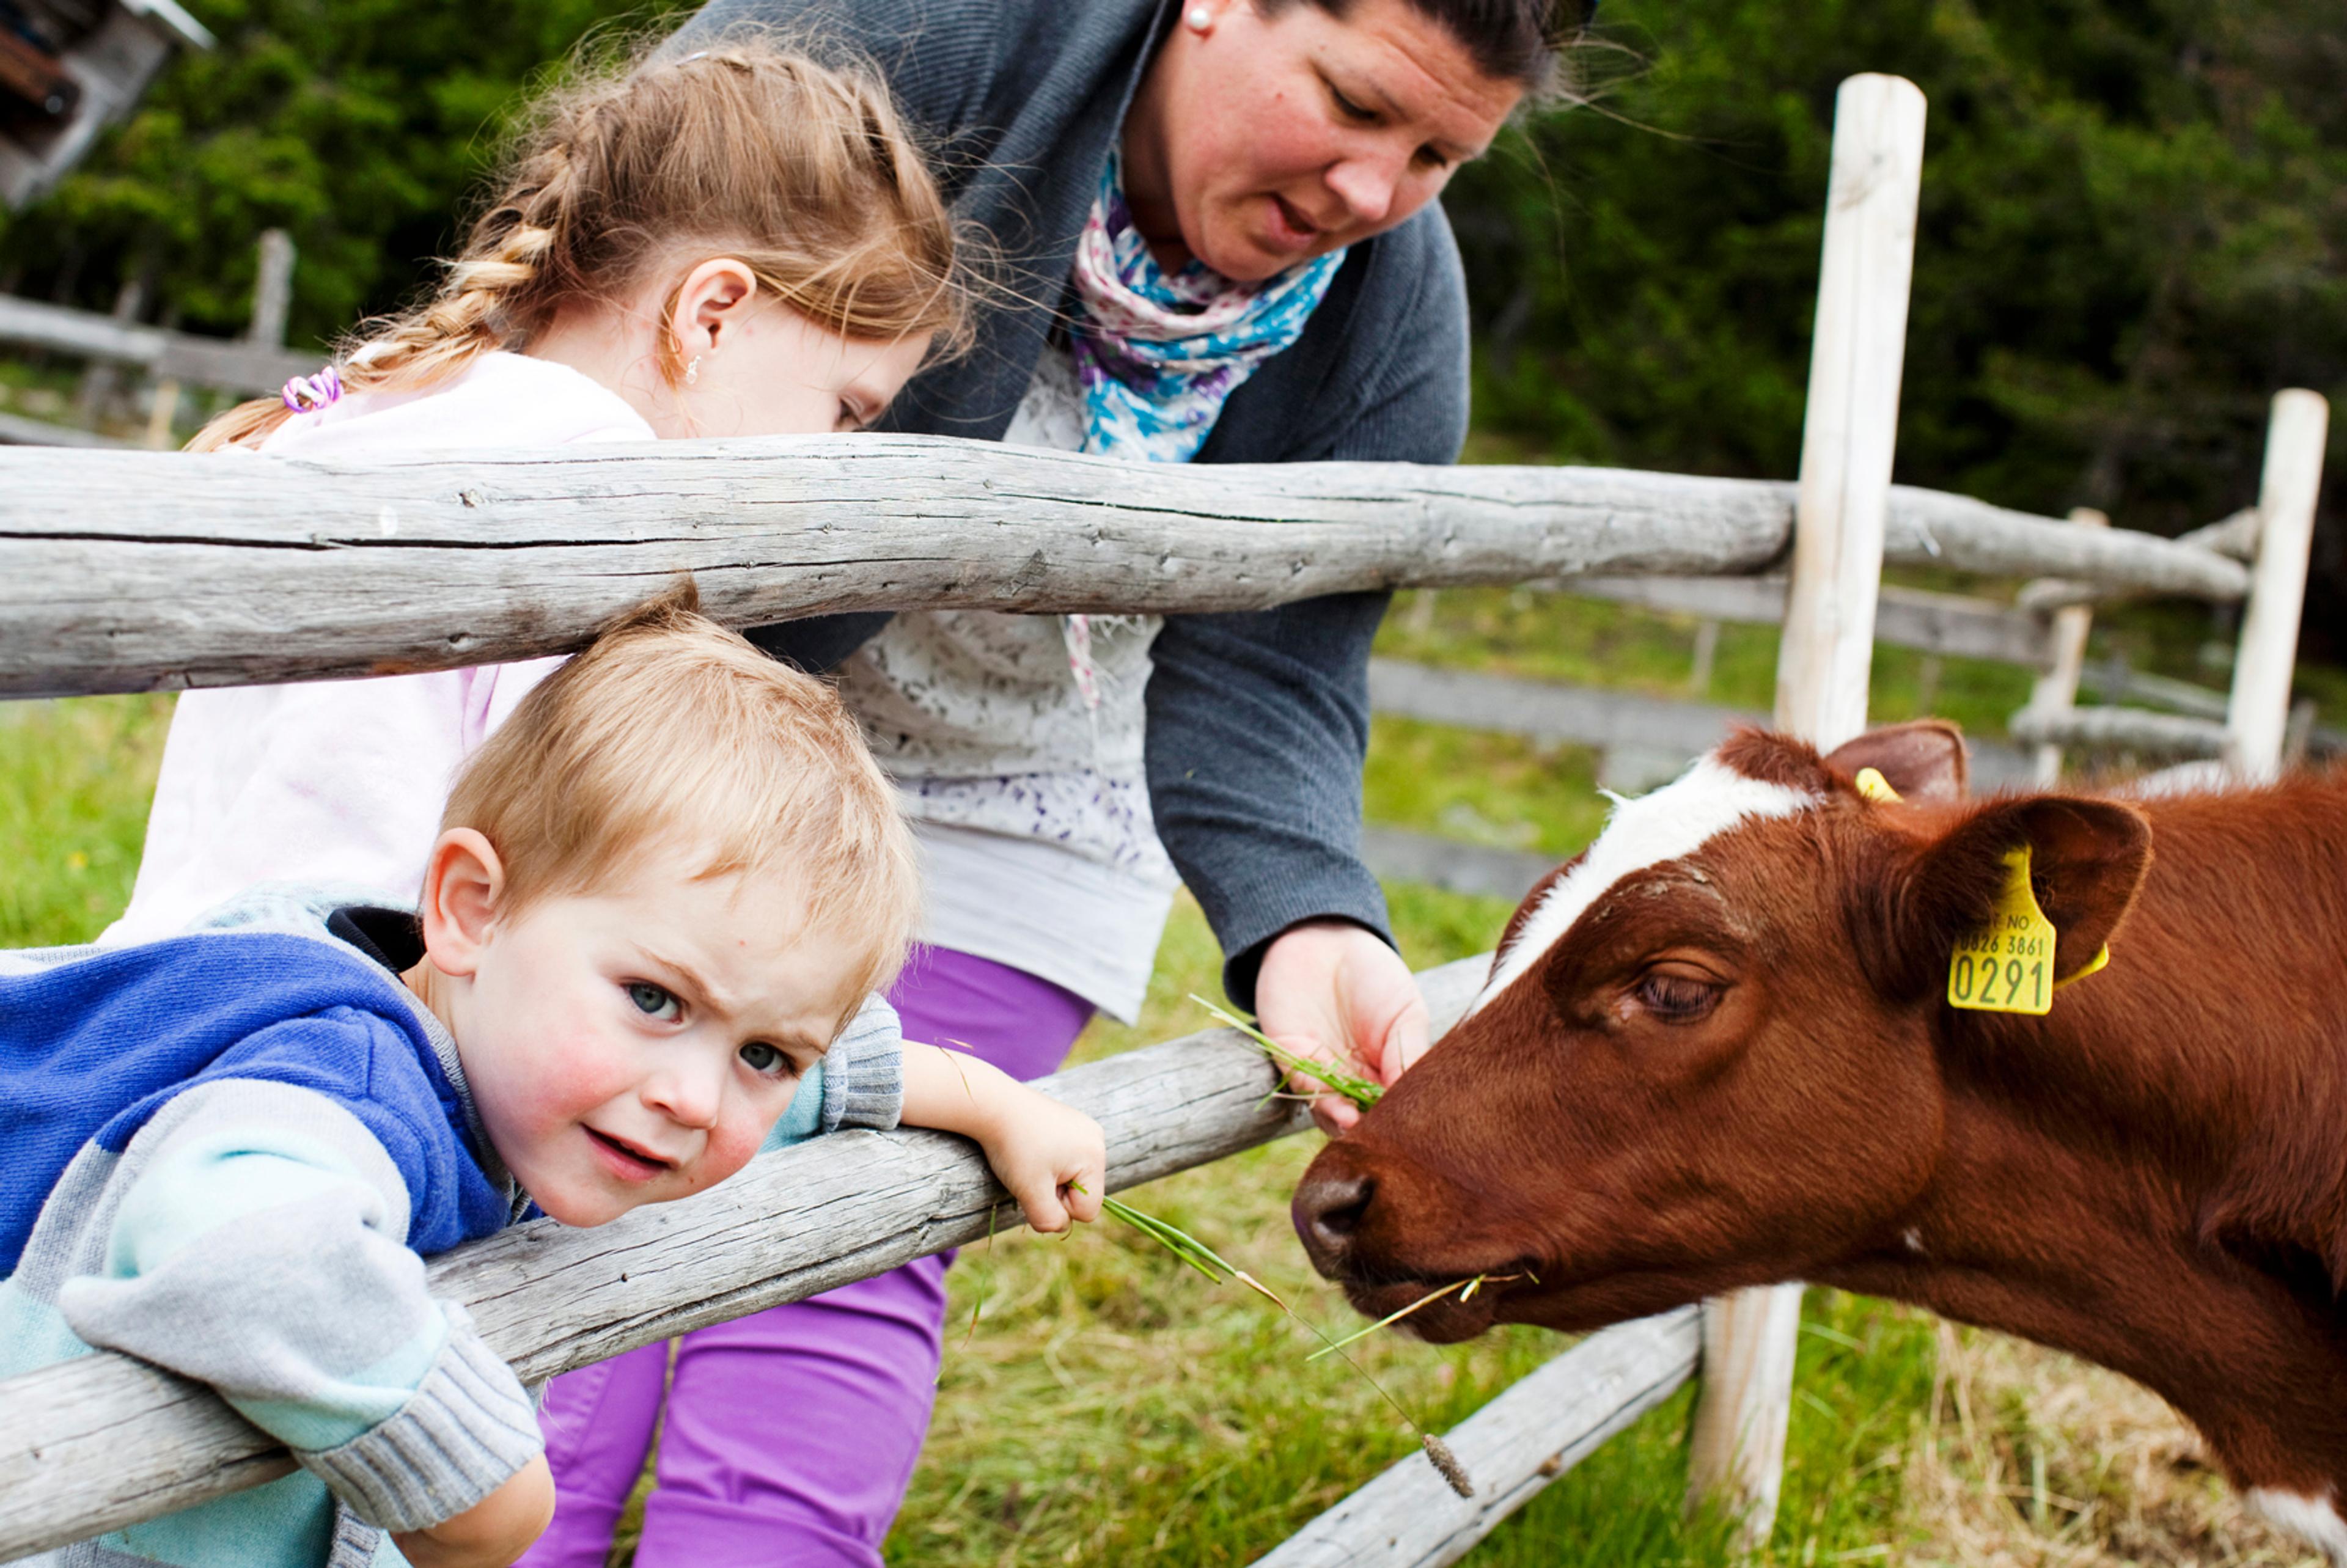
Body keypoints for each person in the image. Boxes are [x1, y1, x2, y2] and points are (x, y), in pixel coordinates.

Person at [512, 1, 1584, 1563]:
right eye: (1354, 103)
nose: (1375, 190)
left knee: (858, 1224)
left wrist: (1309, 924)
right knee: (592, 1163)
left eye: (1437, 155)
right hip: (696, 714)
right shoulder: (909, 38)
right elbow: (599, 272)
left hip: (1025, 785)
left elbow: (1280, 658)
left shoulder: (1387, 307)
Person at [2, 595, 1107, 1568]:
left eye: (761, 1055)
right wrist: (469, 1479)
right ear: (473, 908)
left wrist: (981, 1097)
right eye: (655, 999)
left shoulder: (523, 1042)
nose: (694, 1097)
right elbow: (230, 1240)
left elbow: (769, 1063)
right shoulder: (341, 1075)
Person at [108, 36, 961, 945]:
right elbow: (591, 866)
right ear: (711, 316)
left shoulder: (407, 407)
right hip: (346, 1019)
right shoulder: (605, 487)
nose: (839, 459)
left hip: (173, 968)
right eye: (844, 410)